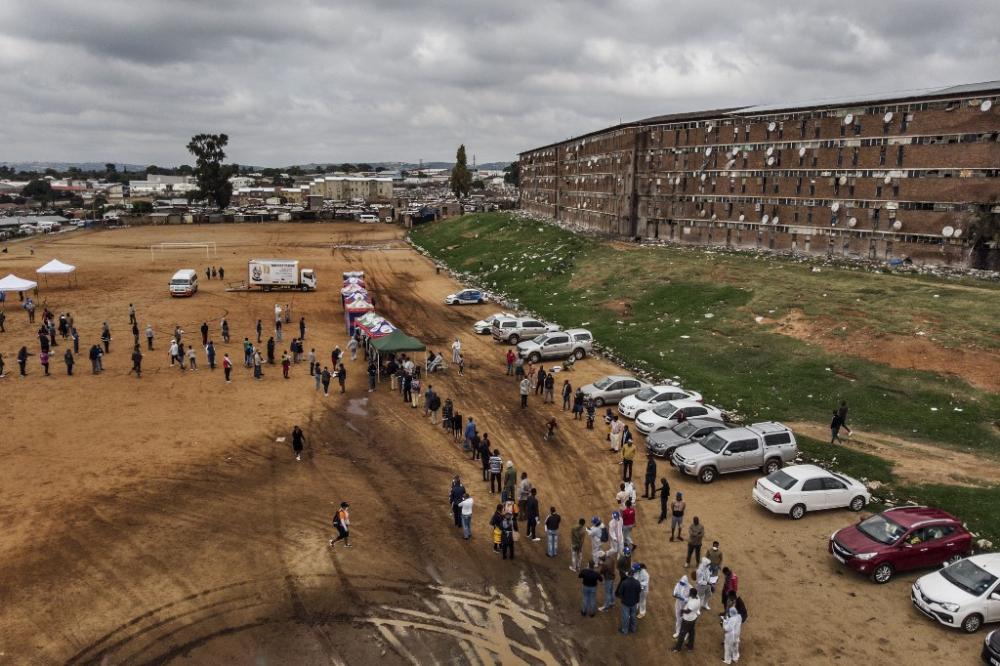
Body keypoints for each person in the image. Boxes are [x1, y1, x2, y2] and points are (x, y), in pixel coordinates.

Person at [672, 587, 701, 652]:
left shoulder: (692, 603)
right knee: (691, 633)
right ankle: (690, 647)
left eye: (690, 592)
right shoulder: (698, 598)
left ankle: (677, 648)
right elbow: (687, 599)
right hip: (693, 619)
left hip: (687, 620)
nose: (689, 593)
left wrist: (682, 611)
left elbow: (688, 611)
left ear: (692, 594)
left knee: (682, 634)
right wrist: (679, 597)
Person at [616, 570, 642, 634]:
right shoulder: (637, 582)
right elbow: (639, 591)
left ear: (628, 575)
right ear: (633, 575)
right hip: (634, 602)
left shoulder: (624, 582)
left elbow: (620, 592)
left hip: (626, 602)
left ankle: (625, 630)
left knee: (625, 616)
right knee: (633, 615)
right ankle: (633, 629)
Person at [672, 572, 692, 639]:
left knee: (685, 620)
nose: (681, 584)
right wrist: (675, 594)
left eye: (683, 583)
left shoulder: (690, 588)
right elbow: (675, 592)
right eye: (681, 582)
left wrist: (684, 599)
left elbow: (691, 599)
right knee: (678, 618)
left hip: (686, 606)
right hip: (678, 604)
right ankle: (678, 632)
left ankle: (685, 634)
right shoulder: (678, 584)